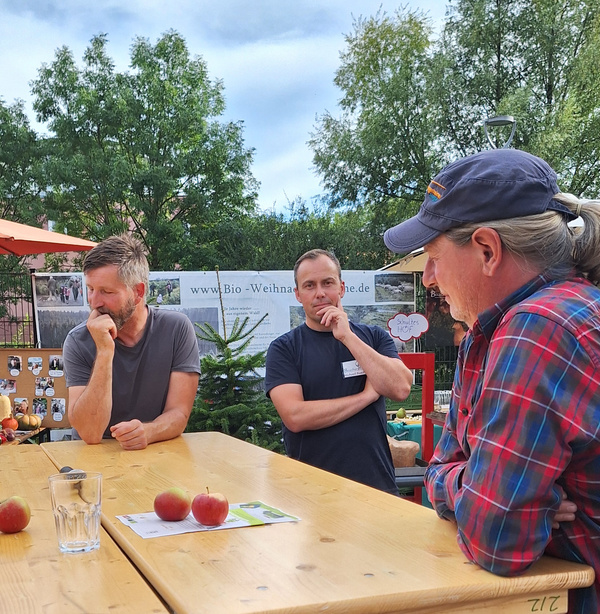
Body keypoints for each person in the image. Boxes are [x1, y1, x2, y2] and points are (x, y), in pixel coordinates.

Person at [383, 148, 600, 613]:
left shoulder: (538, 330)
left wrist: (477, 492)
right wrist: (473, 483)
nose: (429, 277)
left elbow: (497, 538)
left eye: (433, 256)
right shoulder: (494, 332)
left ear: (487, 250)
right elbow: (438, 466)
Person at [265, 249, 413, 494]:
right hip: (311, 493)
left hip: (376, 488)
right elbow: (295, 417)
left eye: (328, 283)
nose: (320, 293)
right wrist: (366, 396)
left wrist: (347, 337)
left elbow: (400, 388)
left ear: (341, 288)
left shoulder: (373, 338)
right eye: (309, 285)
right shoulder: (284, 348)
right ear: (298, 294)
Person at [62, 234, 201, 450]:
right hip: (92, 457)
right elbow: (89, 433)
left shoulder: (176, 329)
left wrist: (149, 431)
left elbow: (179, 413)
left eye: (106, 291)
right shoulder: (77, 341)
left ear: (138, 292)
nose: (94, 302)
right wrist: (104, 351)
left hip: (155, 452)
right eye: (90, 289)